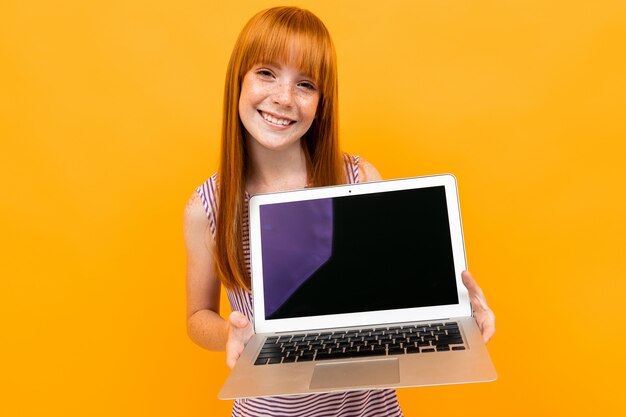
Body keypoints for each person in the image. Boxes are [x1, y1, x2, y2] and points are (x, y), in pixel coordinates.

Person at [184, 6, 495, 416]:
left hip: (368, 408)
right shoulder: (206, 206)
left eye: (306, 84)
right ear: (237, 80)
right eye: (266, 73)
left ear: (321, 103)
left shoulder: (359, 177)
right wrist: (231, 333)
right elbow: (197, 316)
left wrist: (458, 314)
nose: (283, 98)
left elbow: (396, 288)